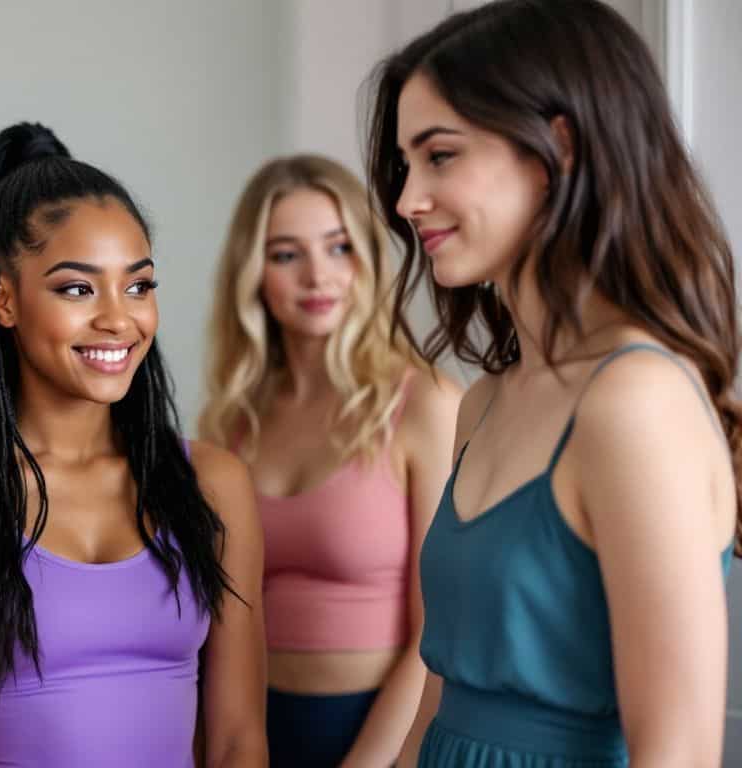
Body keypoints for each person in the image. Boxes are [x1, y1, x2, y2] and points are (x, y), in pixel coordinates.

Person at [364, 1, 740, 764]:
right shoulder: (484, 401)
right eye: (406, 165)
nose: (406, 202)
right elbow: (442, 695)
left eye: (440, 156)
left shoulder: (636, 403)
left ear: (558, 147)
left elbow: (679, 750)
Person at [0, 123, 268, 766]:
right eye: (77, 288)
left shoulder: (212, 482)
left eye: (138, 285)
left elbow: (239, 742)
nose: (118, 318)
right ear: (5, 299)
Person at [200, 154, 459, 767]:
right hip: (251, 732)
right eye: (287, 254)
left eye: (339, 247)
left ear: (368, 259)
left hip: (381, 731)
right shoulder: (229, 421)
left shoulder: (426, 403)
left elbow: (441, 632)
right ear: (254, 272)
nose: (318, 275)